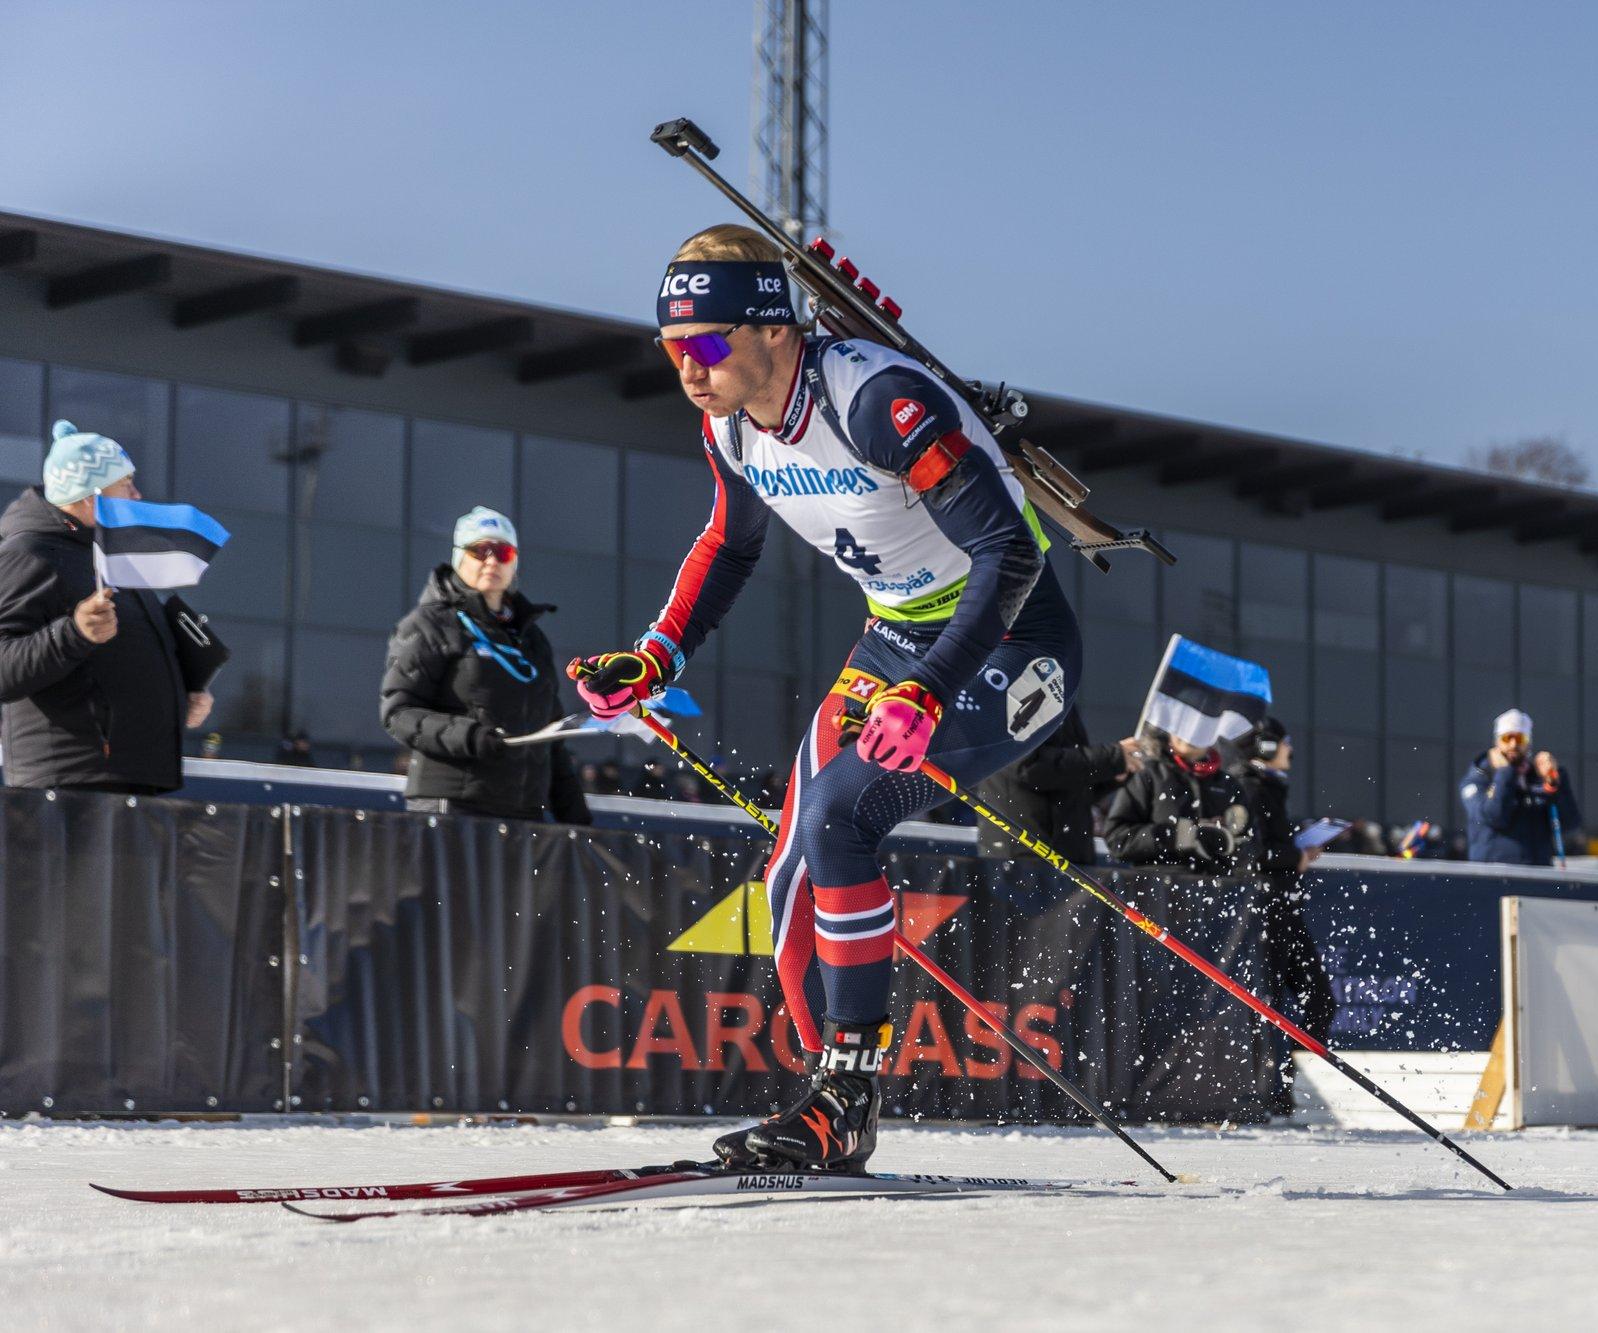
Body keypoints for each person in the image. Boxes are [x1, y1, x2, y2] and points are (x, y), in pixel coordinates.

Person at [569, 225, 1079, 1172]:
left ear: (773, 331)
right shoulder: (727, 418)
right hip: (896, 639)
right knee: (790, 873)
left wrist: (927, 692)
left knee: (845, 812)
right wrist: (655, 659)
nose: (691, 366)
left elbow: (1008, 554)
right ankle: (828, 1098)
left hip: (1008, 640)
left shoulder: (878, 402)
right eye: (673, 346)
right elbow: (730, 544)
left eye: (710, 342)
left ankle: (848, 1094)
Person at [0, 420, 211, 794]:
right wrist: (75, 632)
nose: (137, 495)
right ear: (90, 496)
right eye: (126, 484)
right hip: (71, 786)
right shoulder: (29, 553)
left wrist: (184, 693)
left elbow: (127, 656)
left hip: (137, 778)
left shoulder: (113, 555)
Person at [381, 506, 590, 826]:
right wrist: (469, 735)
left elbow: (551, 737)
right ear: (459, 557)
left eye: (502, 552)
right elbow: (398, 713)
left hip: (524, 810)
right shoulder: (428, 624)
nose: (492, 561)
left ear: (514, 562)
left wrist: (576, 819)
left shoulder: (531, 639)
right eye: (480, 550)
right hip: (453, 806)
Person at [1229, 716, 1339, 1055]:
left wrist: (1297, 850)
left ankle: (1292, 1081)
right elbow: (1250, 852)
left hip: (1282, 909)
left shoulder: (1269, 786)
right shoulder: (1248, 788)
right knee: (1268, 1005)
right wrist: (1296, 857)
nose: (1291, 748)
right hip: (1262, 912)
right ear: (1267, 746)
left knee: (1319, 1000)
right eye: (1285, 740)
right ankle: (1273, 1089)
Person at [974, 710, 1139, 864]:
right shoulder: (1013, 687)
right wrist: (1110, 758)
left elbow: (1068, 785)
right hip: (1024, 855)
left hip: (1069, 857)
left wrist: (1111, 774)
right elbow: (1029, 767)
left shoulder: (1063, 695)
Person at [1102, 731, 1260, 874]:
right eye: (1183, 725)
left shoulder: (1228, 784)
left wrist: (1229, 844)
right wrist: (1179, 836)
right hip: (1158, 890)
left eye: (1201, 727)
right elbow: (1118, 839)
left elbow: (1252, 845)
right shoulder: (1148, 774)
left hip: (1215, 892)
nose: (1191, 733)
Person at [1459, 709, 1580, 867]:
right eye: (1507, 738)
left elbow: (1570, 823)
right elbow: (1495, 816)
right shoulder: (1479, 778)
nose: (1513, 745)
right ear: (1497, 741)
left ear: (1528, 742)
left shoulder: (1536, 777)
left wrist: (1553, 783)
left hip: (1537, 873)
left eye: (1520, 738)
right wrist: (1505, 773)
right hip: (1493, 875)